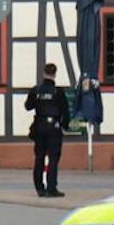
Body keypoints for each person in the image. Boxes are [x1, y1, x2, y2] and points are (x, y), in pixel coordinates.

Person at [26, 62, 70, 198]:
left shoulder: (36, 90)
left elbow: (28, 106)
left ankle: (39, 188)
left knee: (39, 157)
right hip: (54, 127)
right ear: (55, 75)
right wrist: (64, 126)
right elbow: (66, 112)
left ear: (44, 73)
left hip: (39, 126)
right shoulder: (59, 92)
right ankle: (51, 188)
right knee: (53, 158)